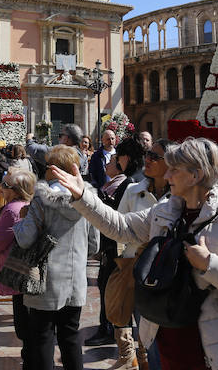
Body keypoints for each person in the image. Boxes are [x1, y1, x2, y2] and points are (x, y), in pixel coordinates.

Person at [52, 137, 218, 370]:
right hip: (166, 337)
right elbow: (122, 227)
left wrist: (209, 264)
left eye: (174, 169)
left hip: (212, 347)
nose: (167, 176)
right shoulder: (167, 210)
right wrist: (82, 196)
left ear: (195, 175)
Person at [12, 145, 99, 370]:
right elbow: (94, 244)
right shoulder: (86, 199)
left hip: (45, 281)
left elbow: (25, 239)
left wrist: (20, 222)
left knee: (43, 337)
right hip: (75, 280)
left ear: (53, 168)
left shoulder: (40, 200)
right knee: (71, 338)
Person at [116, 138, 172, 370]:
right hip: (140, 270)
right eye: (148, 155)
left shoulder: (180, 193)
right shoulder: (132, 190)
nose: (147, 160)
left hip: (171, 274)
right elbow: (118, 229)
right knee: (146, 330)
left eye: (154, 157)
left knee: (169, 335)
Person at [86, 137, 144, 360]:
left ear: (125, 158)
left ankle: (131, 353)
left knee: (121, 300)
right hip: (128, 252)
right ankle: (132, 354)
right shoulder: (136, 181)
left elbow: (118, 219)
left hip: (123, 253)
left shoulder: (131, 184)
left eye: (117, 157)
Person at [0, 169, 37, 368]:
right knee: (28, 320)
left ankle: (30, 359)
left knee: (24, 324)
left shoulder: (13, 210)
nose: (1, 188)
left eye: (5, 185)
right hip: (26, 271)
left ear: (16, 190)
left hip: (16, 271)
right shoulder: (28, 206)